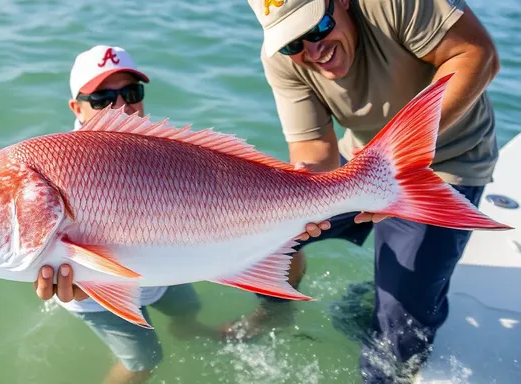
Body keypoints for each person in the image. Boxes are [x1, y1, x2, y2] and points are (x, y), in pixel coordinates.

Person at [240, 0, 500, 382]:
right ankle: (275, 310)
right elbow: (315, 150)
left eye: (317, 28)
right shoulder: (283, 59)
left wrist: (392, 161)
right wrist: (299, 193)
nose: (313, 51)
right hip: (360, 161)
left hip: (450, 162)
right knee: (271, 238)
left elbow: (477, 54)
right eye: (293, 43)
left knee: (397, 325)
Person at [33, 44, 223, 384]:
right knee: (143, 361)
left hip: (157, 271)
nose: (121, 106)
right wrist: (82, 282)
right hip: (95, 293)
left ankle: (188, 328)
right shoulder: (62, 164)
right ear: (76, 107)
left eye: (131, 92)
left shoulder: (157, 144)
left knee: (187, 308)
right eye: (103, 98)